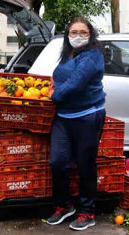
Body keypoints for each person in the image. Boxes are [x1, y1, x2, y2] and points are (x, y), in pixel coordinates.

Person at [46, 17, 107, 231]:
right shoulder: (67, 53)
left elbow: (76, 83)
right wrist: (53, 82)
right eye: (74, 32)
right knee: (57, 161)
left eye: (83, 32)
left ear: (90, 34)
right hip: (64, 116)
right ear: (67, 35)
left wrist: (53, 95)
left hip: (87, 116)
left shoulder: (93, 55)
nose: (78, 36)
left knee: (85, 164)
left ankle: (87, 211)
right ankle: (64, 205)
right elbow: (62, 76)